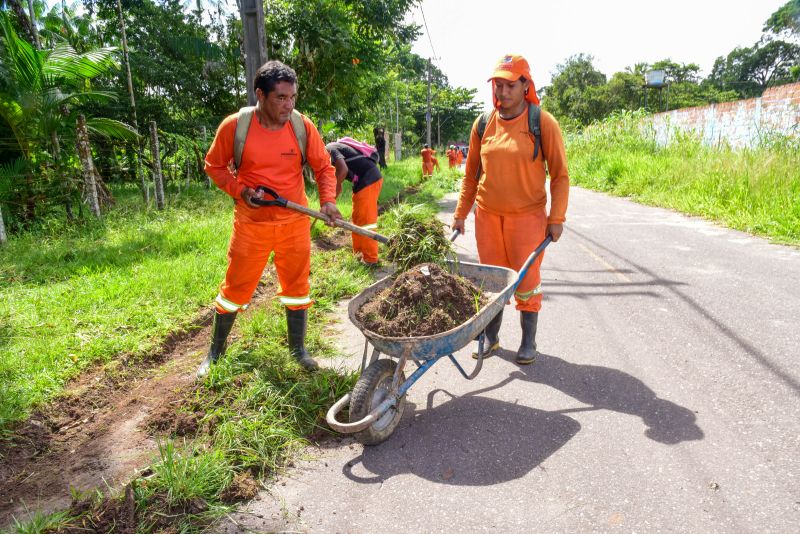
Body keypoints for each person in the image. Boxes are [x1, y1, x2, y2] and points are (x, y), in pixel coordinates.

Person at [199, 60, 342, 378]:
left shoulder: (302, 126)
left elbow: (323, 166)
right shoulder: (236, 127)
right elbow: (214, 166)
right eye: (281, 97)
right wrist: (240, 190)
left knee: (297, 288)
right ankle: (215, 354)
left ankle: (298, 350)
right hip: (252, 225)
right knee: (235, 289)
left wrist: (328, 201)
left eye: (292, 97)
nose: (288, 105)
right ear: (260, 96)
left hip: (294, 223)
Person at [451, 53, 569, 365]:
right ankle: (491, 338)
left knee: (526, 282)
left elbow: (560, 175)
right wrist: (461, 214)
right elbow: (471, 175)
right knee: (492, 281)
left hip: (527, 219)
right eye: (497, 85)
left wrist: (556, 218)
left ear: (525, 85)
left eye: (509, 85)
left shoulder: (542, 123)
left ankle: (528, 342)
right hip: (488, 217)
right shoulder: (483, 124)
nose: (501, 92)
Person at [325, 140, 384, 266]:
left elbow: (343, 170)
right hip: (362, 183)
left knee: (366, 221)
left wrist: (330, 200)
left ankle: (370, 259)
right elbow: (338, 183)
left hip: (369, 179)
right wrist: (329, 202)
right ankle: (358, 253)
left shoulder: (329, 149)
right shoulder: (330, 153)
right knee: (357, 219)